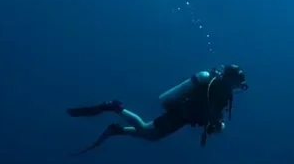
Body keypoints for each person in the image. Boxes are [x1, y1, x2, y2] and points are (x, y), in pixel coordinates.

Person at [67, 64, 249, 154]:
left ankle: (116, 130)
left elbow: (214, 114)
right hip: (180, 114)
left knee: (152, 136)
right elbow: (209, 109)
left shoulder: (222, 94)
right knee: (146, 130)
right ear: (231, 80)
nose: (237, 88)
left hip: (184, 117)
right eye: (237, 84)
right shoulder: (212, 85)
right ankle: (116, 108)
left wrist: (214, 126)